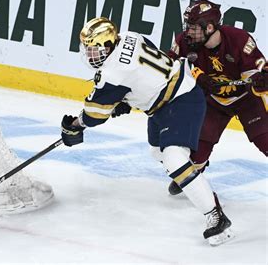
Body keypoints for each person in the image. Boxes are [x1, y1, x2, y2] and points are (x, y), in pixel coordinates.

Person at [60, 17, 233, 245]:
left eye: (94, 49)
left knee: (173, 158)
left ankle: (215, 216)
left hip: (182, 100)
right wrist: (126, 97)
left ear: (109, 45)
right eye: (88, 49)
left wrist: (76, 126)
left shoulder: (112, 73)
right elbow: (146, 69)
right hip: (163, 104)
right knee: (157, 152)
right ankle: (193, 175)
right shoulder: (131, 36)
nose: (90, 55)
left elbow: (95, 115)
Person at [166, 0, 267, 195]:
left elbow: (259, 72)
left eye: (193, 28)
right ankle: (194, 175)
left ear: (210, 27)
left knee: (266, 141)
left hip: (246, 100)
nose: (188, 32)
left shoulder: (239, 40)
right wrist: (197, 76)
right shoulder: (184, 42)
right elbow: (170, 68)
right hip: (213, 101)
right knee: (196, 154)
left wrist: (261, 80)